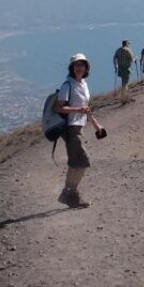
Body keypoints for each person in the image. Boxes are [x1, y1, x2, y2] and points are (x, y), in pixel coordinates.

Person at [55, 53, 105, 209]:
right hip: (71, 127)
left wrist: (96, 125)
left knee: (74, 163)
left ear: (86, 67)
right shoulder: (67, 85)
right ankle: (71, 194)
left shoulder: (83, 83)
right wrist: (78, 109)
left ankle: (67, 194)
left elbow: (85, 108)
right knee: (83, 162)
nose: (79, 68)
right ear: (72, 67)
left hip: (79, 125)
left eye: (82, 65)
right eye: (76, 65)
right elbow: (59, 107)